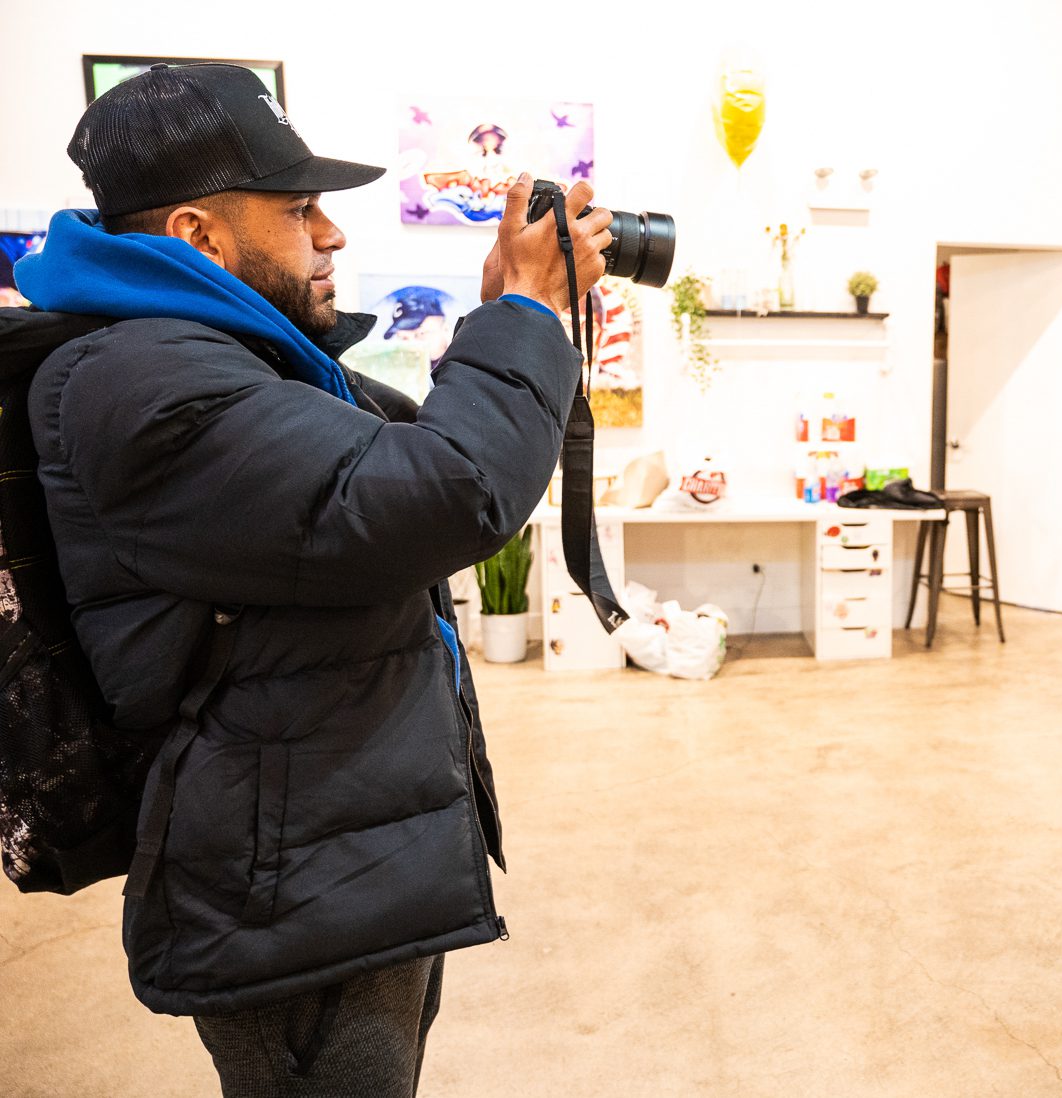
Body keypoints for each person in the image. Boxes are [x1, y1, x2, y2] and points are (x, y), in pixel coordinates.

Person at [10, 63, 611, 1095]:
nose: (331, 234)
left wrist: (507, 316)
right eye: (299, 210)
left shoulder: (220, 355)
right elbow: (448, 494)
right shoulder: (142, 379)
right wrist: (525, 311)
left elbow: (400, 460)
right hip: (286, 888)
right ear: (198, 234)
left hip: (332, 843)